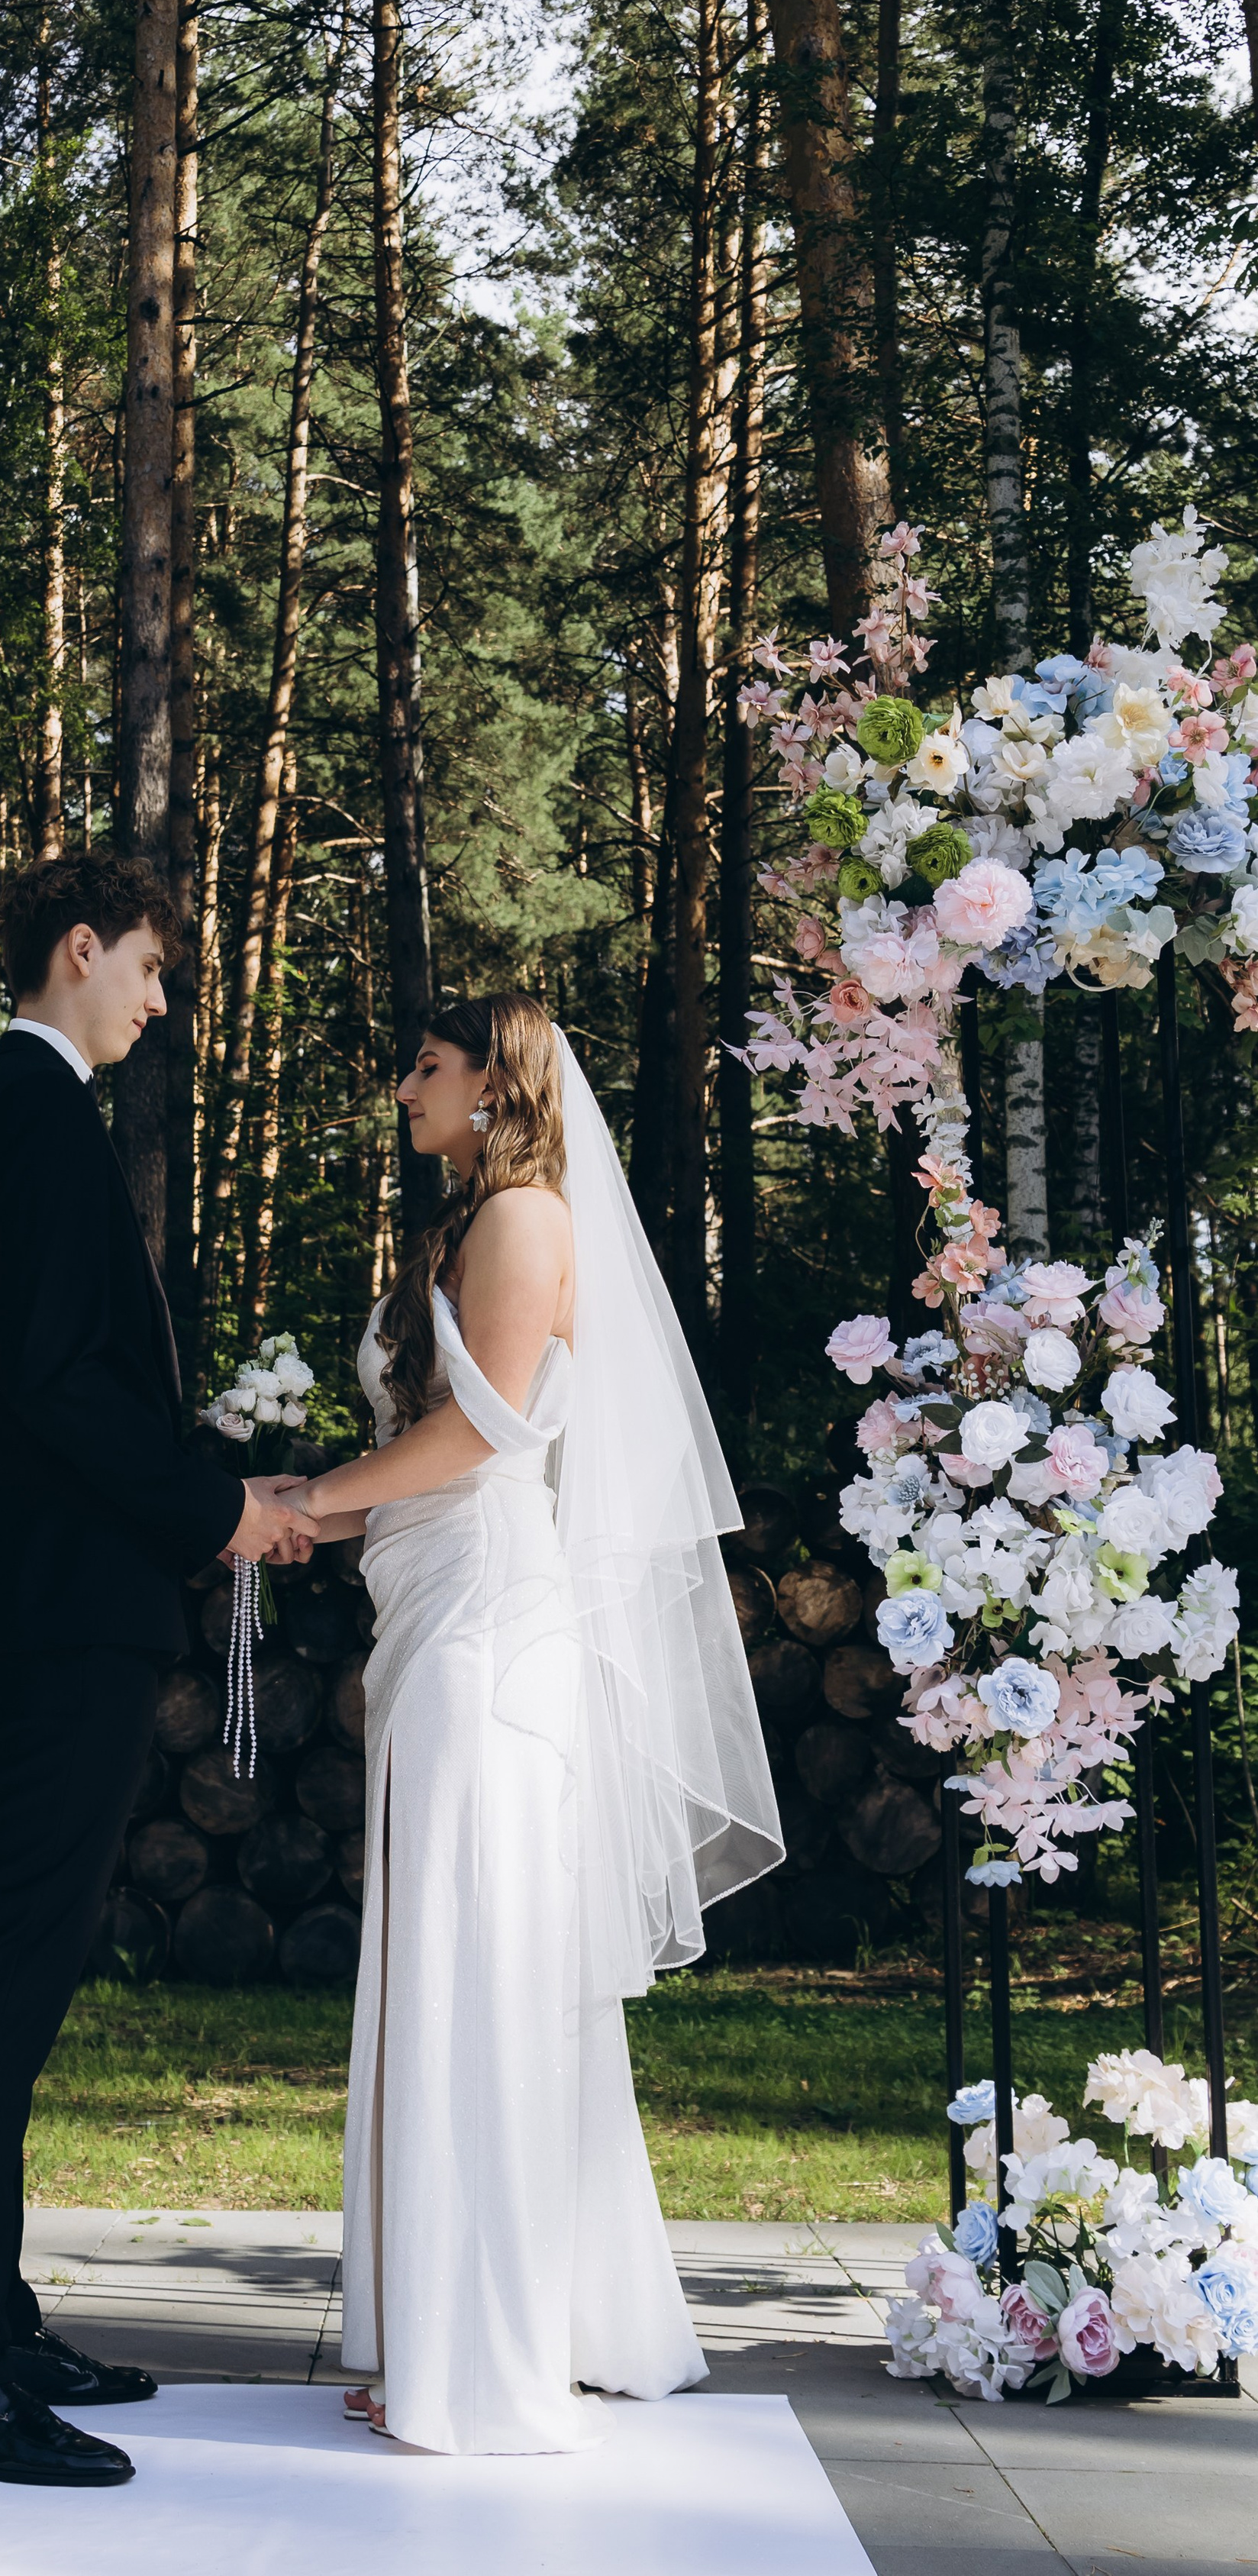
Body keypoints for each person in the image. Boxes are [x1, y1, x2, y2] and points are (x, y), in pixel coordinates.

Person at [275, 992, 782, 2454]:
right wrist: (312, 1505)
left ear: (494, 1084)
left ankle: (480, 2360)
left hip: (488, 1632)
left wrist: (313, 1497)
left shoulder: (521, 1220)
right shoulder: (470, 1223)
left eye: (425, 1068)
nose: (403, 1090)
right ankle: (473, 2321)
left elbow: (488, 1429)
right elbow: (433, 1440)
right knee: (452, 1961)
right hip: (435, 1609)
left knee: (477, 1964)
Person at [0, 851, 314, 2490]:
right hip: (58, 1608)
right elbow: (61, 1388)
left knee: (26, 1960)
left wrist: (217, 1485)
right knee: (8, 1971)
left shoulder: (27, 1116)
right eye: (148, 969)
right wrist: (215, 1511)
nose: (159, 1002)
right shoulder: (34, 1118)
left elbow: (76, 1386)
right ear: (81, 949)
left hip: (59, 1597)